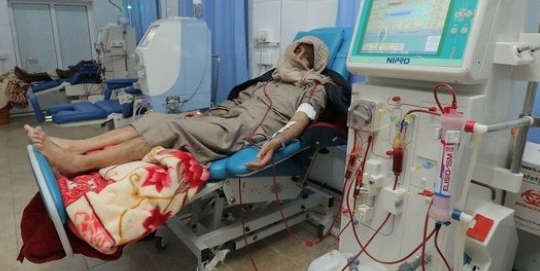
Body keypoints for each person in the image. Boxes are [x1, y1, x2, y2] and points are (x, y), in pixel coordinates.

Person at [25, 35, 336, 177]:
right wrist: (203, 114)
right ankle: (77, 146)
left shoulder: (315, 88)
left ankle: (78, 164)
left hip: (243, 132)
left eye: (307, 56)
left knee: (171, 127)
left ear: (316, 64)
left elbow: (300, 120)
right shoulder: (269, 80)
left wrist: (277, 141)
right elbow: (233, 103)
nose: (299, 57)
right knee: (157, 118)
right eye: (298, 49)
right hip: (227, 119)